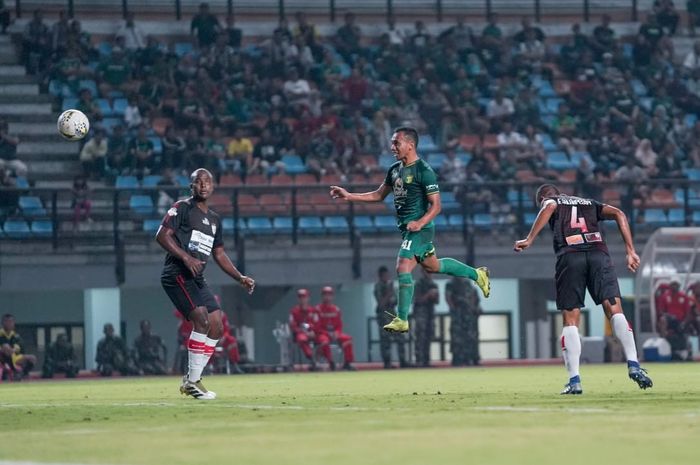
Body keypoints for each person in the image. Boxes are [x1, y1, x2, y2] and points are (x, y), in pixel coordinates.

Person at [330, 127, 490, 334]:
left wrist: (420, 223)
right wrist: (349, 196)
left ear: (410, 145)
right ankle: (477, 274)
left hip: (421, 229)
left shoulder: (424, 171)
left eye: (396, 143)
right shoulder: (395, 170)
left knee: (402, 266)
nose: (392, 147)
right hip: (408, 230)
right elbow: (379, 195)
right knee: (433, 266)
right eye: (392, 143)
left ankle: (402, 319)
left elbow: (437, 206)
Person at [513, 184, 653, 394]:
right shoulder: (588, 203)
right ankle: (633, 364)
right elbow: (619, 213)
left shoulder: (552, 201)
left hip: (571, 256)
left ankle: (575, 380)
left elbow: (549, 206)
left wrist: (529, 239)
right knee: (615, 310)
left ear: (542, 198)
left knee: (571, 320)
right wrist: (630, 251)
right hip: (599, 255)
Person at [156, 168, 255, 400]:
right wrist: (186, 257)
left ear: (213, 187)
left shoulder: (214, 219)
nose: (203, 185)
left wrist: (240, 277)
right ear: (191, 186)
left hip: (196, 278)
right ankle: (192, 381)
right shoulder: (181, 208)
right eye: (198, 182)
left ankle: (192, 379)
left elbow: (219, 255)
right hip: (176, 272)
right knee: (200, 318)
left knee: (217, 324)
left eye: (207, 182)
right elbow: (161, 235)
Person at [373, 266, 408, 369]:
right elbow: (381, 304)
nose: (387, 277)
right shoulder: (378, 287)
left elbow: (396, 302)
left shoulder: (391, 287)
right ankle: (387, 363)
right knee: (385, 340)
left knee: (400, 337)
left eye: (387, 275)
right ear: (380, 276)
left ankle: (403, 361)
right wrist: (389, 293)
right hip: (383, 317)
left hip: (393, 315)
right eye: (385, 275)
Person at [315, 286, 355, 371]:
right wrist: (327, 333)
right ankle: (331, 363)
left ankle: (347, 363)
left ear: (333, 296)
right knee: (324, 341)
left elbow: (340, 325)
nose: (327, 297)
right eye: (325, 295)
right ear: (322, 296)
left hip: (335, 333)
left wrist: (336, 333)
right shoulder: (318, 310)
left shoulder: (336, 310)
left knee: (348, 339)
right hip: (322, 334)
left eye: (329, 295)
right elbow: (317, 327)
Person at [446, 277, 481, 366]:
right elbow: (448, 298)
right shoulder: (451, 283)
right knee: (457, 338)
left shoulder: (468, 283)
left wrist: (473, 308)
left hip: (468, 316)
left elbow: (474, 298)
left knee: (469, 337)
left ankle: (470, 358)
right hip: (458, 315)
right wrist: (453, 310)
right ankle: (457, 359)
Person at [289, 288, 319, 370]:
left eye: (304, 297)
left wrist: (313, 331)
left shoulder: (313, 310)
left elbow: (316, 323)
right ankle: (312, 359)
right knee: (302, 339)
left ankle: (328, 363)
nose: (303, 299)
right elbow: (293, 325)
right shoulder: (294, 311)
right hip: (300, 334)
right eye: (301, 297)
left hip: (313, 333)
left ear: (308, 298)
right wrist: (303, 332)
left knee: (323, 339)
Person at [413, 269, 439, 367]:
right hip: (421, 314)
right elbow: (418, 300)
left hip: (430, 314)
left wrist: (434, 296)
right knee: (420, 337)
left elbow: (437, 301)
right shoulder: (419, 284)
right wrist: (428, 295)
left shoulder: (434, 285)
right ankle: (419, 360)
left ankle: (426, 360)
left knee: (429, 337)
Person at [0, 314, 36, 380]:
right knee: (6, 348)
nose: (9, 324)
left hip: (13, 357)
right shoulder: (0, 334)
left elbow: (18, 347)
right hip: (2, 357)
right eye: (7, 321)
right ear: (3, 323)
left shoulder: (16, 336)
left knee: (32, 358)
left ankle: (22, 374)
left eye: (11, 322)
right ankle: (13, 371)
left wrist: (12, 350)